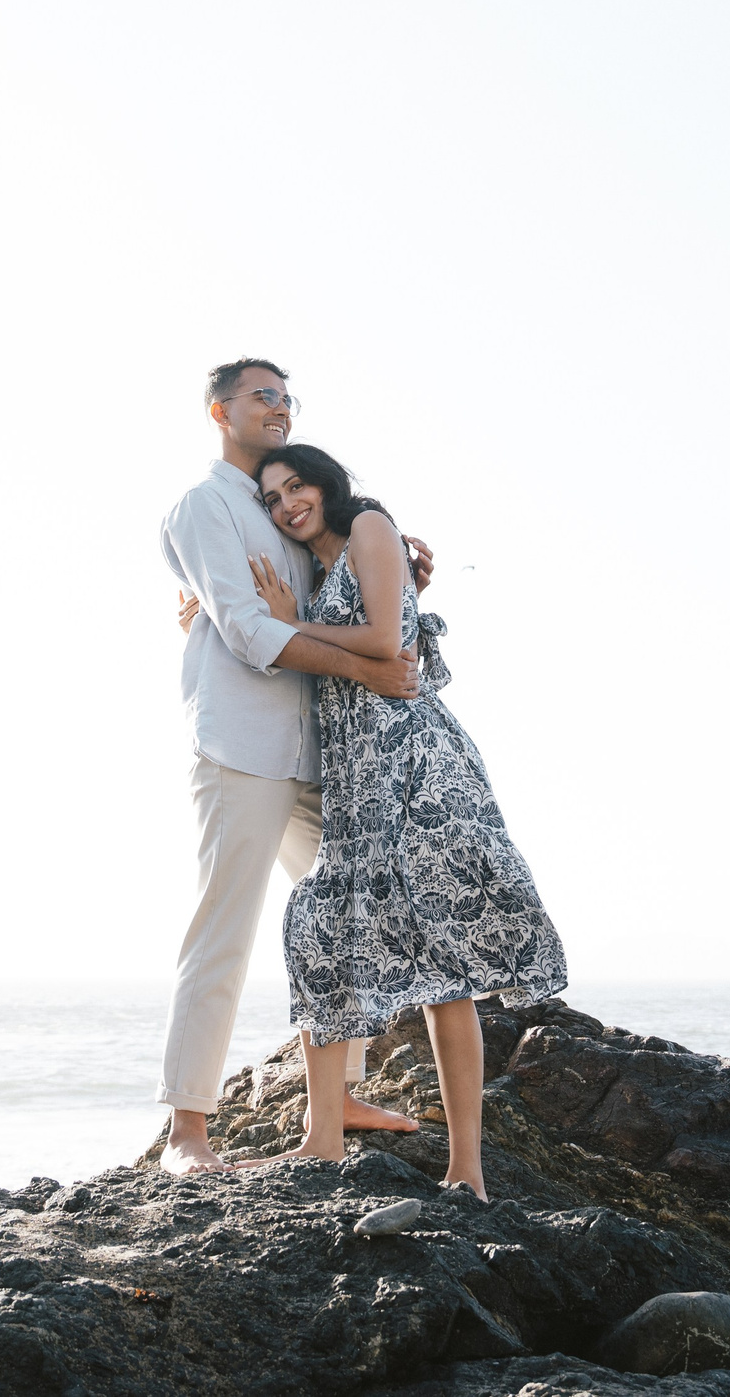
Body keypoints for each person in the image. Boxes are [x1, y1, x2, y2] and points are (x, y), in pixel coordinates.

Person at [242, 443, 566, 1201]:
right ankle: (320, 1140)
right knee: (324, 931)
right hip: (357, 779)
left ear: (325, 483)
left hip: (417, 766)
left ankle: (468, 1172)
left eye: (297, 486)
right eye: (273, 497)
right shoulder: (321, 571)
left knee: (443, 966)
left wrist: (294, 630)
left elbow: (389, 643)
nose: (288, 503)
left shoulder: (372, 529)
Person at [155, 359, 435, 1174]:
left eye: (285, 397)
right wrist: (367, 667)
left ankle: (340, 1093)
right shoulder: (203, 504)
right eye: (261, 396)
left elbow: (344, 600)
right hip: (241, 747)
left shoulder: (287, 507)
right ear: (220, 410)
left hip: (322, 750)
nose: (278, 407)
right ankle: (186, 1132)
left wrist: (400, 576)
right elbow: (243, 629)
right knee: (225, 928)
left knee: (354, 916)